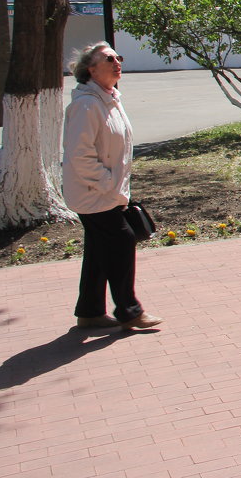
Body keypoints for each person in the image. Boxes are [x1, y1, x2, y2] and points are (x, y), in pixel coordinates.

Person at [63, 42, 163, 331]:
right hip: (93, 193)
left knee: (98, 249)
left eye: (118, 57)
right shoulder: (86, 105)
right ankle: (129, 311)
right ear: (91, 69)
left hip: (105, 193)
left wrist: (117, 189)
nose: (117, 61)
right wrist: (109, 186)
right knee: (121, 241)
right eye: (108, 58)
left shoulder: (108, 99)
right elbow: (79, 156)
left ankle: (90, 312)